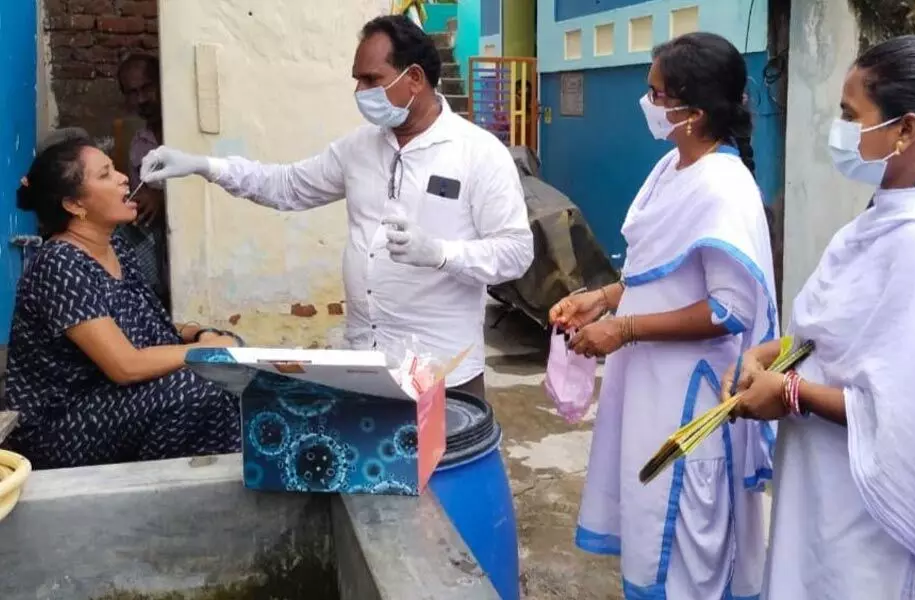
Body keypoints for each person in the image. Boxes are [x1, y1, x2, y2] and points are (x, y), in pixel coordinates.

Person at [725, 35, 915, 599]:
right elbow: (843, 341)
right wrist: (768, 354)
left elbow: (911, 417)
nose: (839, 128)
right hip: (826, 493)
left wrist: (792, 394)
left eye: (851, 115)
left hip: (870, 521)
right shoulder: (889, 215)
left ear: (906, 130)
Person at [139, 15, 533, 400]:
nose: (361, 92)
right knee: (369, 466)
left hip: (443, 374)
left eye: (372, 80)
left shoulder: (478, 154)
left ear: (414, 78)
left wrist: (440, 253)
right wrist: (206, 166)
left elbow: (516, 252)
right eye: (357, 80)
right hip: (366, 365)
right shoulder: (358, 149)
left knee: (443, 467)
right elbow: (286, 186)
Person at [550, 32, 778, 599]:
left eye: (657, 94)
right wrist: (601, 299)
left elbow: (729, 310)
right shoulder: (671, 170)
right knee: (650, 518)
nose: (647, 104)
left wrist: (623, 330)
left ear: (694, 113)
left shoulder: (724, 186)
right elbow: (657, 276)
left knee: (686, 539)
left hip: (691, 395)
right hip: (650, 385)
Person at [1, 137, 243, 470]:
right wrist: (205, 353)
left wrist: (200, 335)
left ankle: (217, 483)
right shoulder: (59, 264)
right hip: (62, 425)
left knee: (235, 364)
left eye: (115, 168)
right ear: (74, 205)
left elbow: (141, 324)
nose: (123, 178)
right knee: (200, 384)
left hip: (115, 403)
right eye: (105, 174)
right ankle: (174, 493)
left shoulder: (114, 246)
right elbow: (125, 364)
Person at [117, 53, 171, 309]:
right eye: (132, 92)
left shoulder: (186, 130)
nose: (141, 99)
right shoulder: (139, 144)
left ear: (162, 82)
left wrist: (162, 197)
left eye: (146, 88)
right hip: (160, 250)